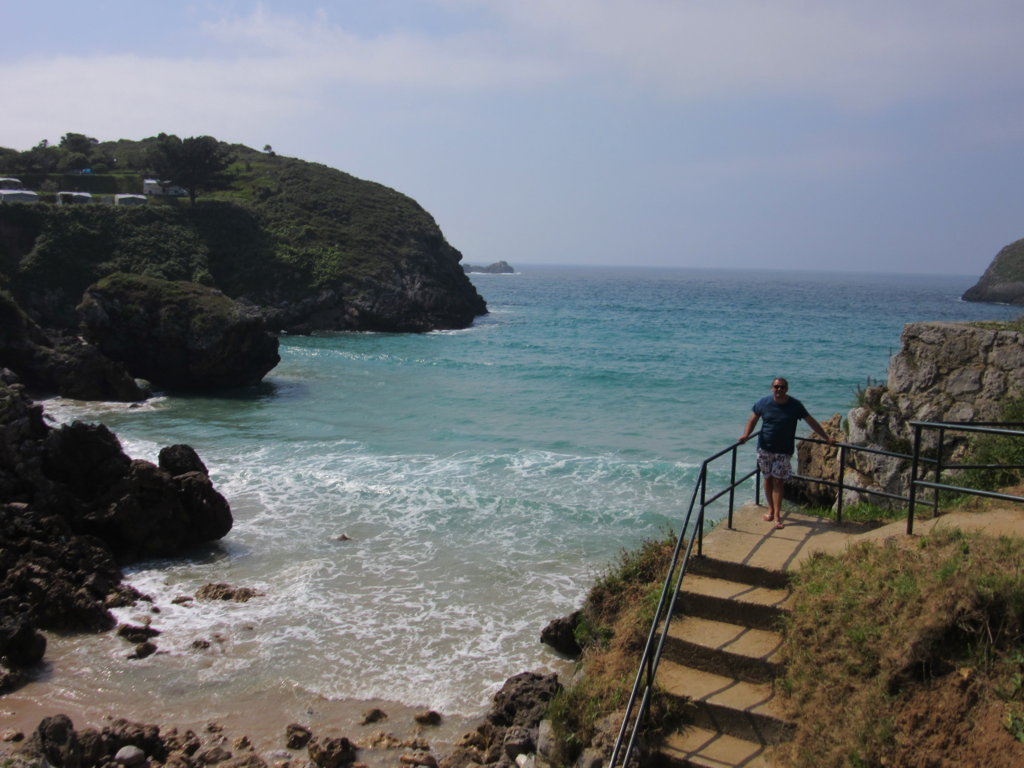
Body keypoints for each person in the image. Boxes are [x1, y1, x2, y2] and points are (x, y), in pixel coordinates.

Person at [738, 377, 835, 529]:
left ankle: (777, 515)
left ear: (787, 389)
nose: (779, 389)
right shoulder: (763, 403)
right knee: (767, 478)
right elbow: (753, 420)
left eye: (782, 387)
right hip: (764, 448)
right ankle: (770, 509)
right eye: (776, 387)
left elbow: (811, 422)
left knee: (778, 481)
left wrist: (826, 438)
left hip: (783, 451)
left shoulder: (795, 405)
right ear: (772, 388)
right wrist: (745, 435)